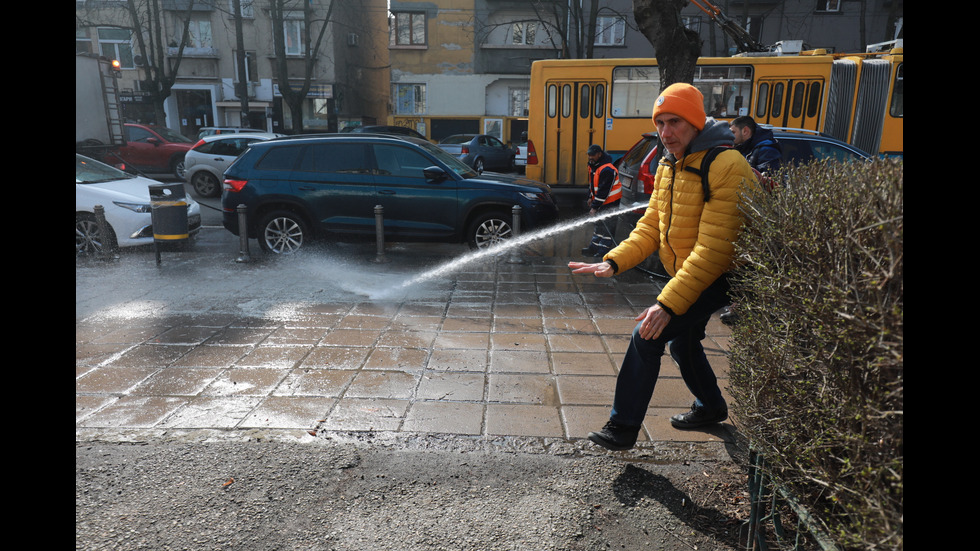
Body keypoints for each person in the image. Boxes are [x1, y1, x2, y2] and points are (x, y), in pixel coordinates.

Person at [568, 83, 759, 451]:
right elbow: (651, 227)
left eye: (675, 122)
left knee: (648, 335)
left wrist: (667, 304)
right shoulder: (669, 163)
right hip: (690, 271)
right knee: (683, 345)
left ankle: (622, 427)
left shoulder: (726, 165)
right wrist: (613, 261)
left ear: (695, 122)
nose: (666, 132)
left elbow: (713, 251)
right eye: (660, 122)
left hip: (720, 274)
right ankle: (712, 407)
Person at [581, 144, 621, 257]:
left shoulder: (607, 169)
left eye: (592, 155)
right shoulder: (594, 166)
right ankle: (593, 248)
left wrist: (594, 207)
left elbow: (604, 191)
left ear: (599, 154)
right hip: (602, 201)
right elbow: (593, 184)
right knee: (599, 225)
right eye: (589, 155)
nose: (590, 157)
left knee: (608, 227)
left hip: (611, 202)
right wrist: (590, 197)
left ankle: (603, 251)